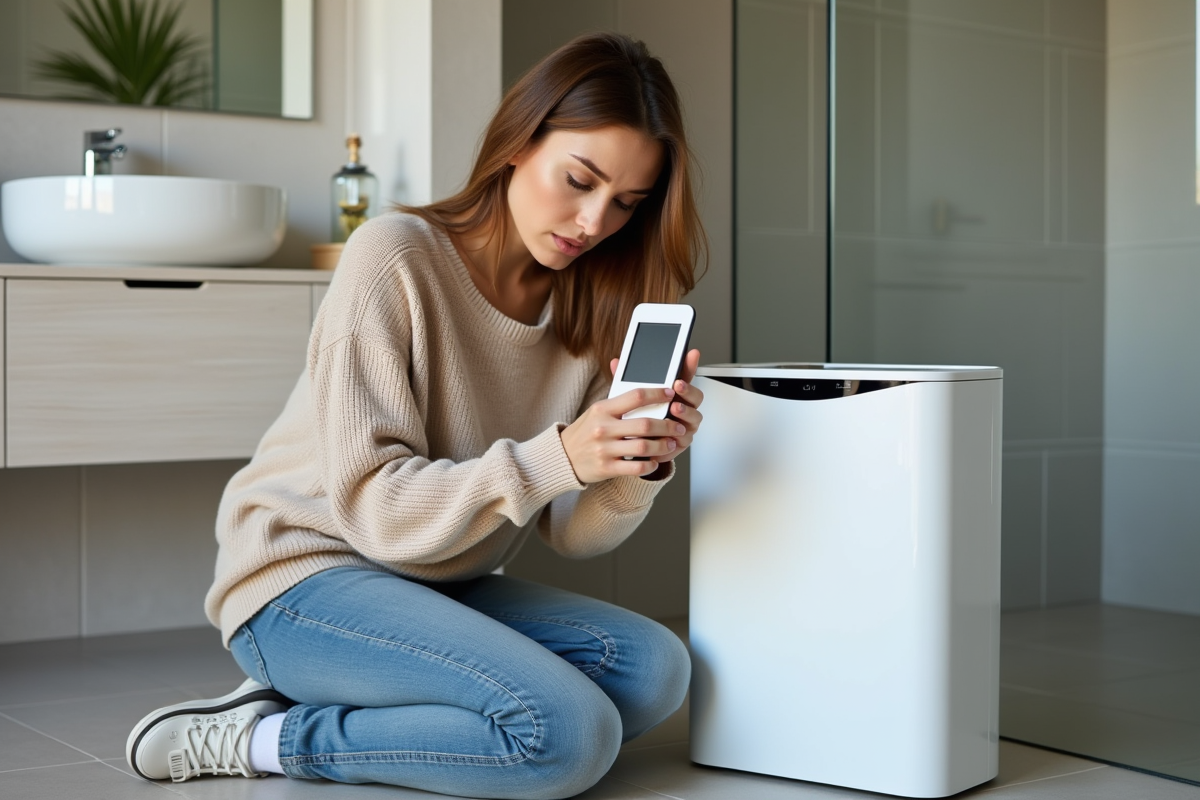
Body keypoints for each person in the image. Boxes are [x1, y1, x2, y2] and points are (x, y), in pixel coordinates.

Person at [125, 31, 707, 800]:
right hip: (302, 581)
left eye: (626, 203)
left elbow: (572, 534)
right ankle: (264, 736)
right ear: (518, 143)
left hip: (438, 582)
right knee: (568, 735)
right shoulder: (394, 257)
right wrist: (561, 454)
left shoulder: (591, 304)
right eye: (579, 180)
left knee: (655, 671)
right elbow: (375, 511)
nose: (594, 221)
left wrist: (634, 465)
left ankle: (385, 698)